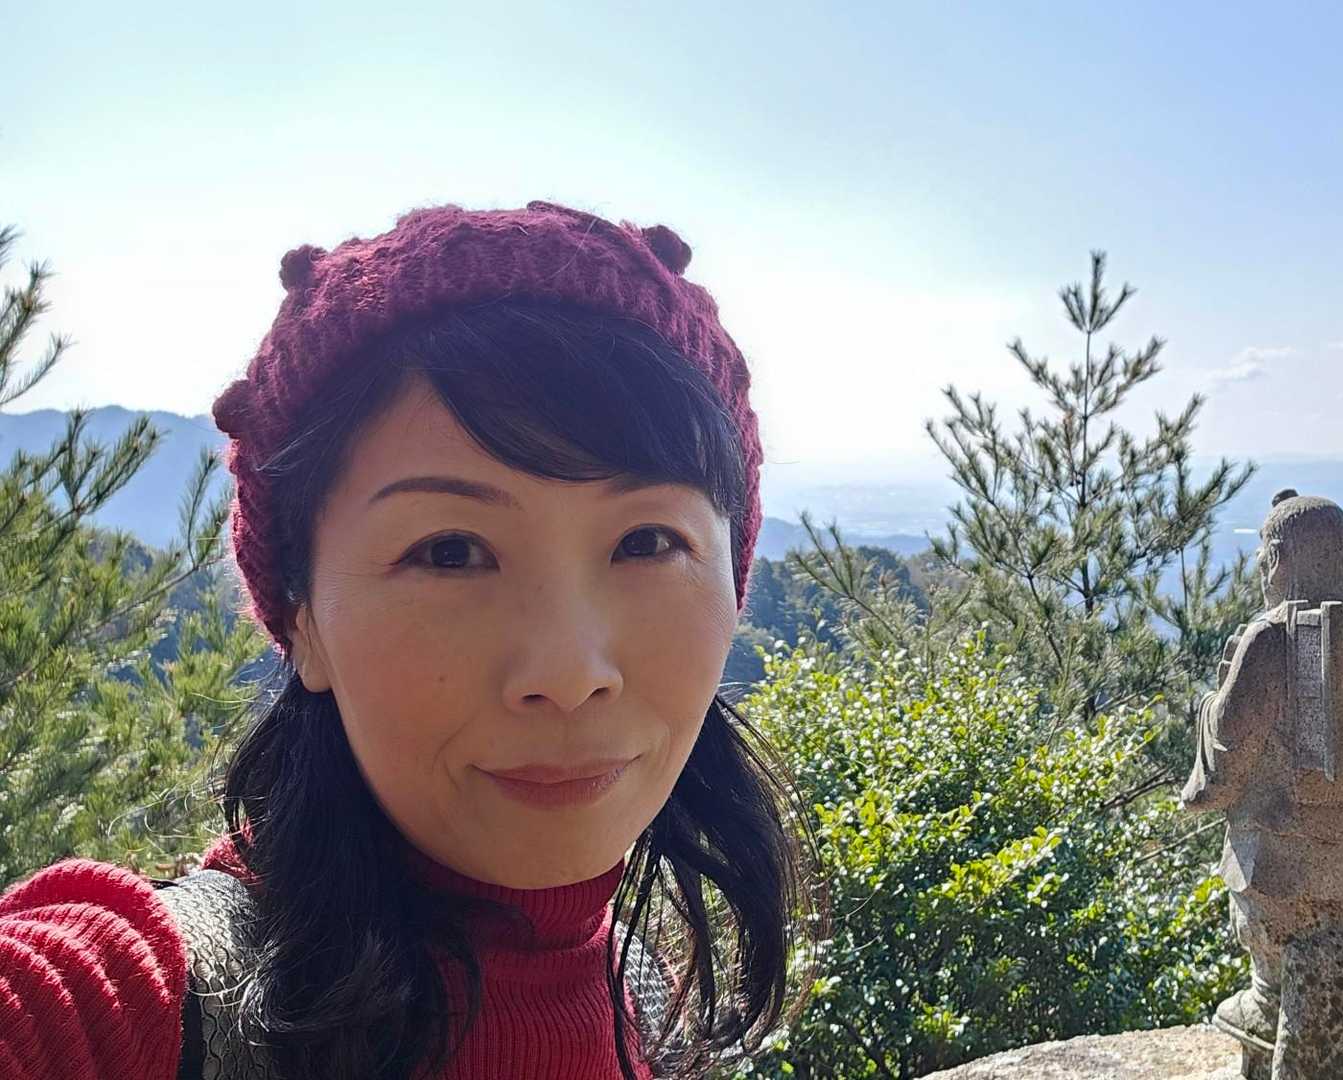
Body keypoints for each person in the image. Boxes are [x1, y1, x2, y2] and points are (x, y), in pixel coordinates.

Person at [0, 201, 816, 1079]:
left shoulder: (642, 992)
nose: (569, 673)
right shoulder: (124, 1005)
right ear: (302, 618)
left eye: (647, 542)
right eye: (450, 552)